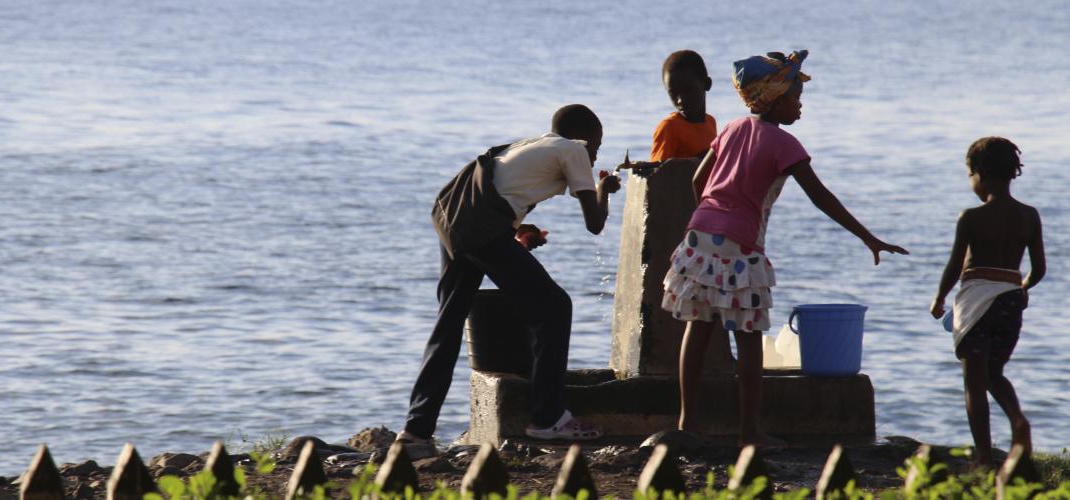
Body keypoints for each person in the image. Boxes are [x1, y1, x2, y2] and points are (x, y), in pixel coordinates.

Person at [660, 50, 907, 446]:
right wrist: (868, 237)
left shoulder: (731, 128)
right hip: (740, 246)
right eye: (796, 95)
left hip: (699, 235)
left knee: (699, 327)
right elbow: (820, 196)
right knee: (749, 335)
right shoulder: (784, 143)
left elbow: (697, 181)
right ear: (774, 98)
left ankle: (687, 424)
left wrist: (708, 219)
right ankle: (748, 431)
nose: (801, 103)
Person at [398, 104, 621, 448]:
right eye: (597, 146)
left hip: (455, 214)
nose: (594, 155)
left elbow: (503, 191)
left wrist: (516, 228)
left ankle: (415, 432)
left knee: (449, 323)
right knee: (554, 308)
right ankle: (549, 418)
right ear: (584, 137)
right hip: (481, 225)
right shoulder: (573, 148)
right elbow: (594, 224)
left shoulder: (530, 144)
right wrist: (604, 190)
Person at [930, 137, 1044, 468]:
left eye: (969, 175)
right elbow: (1038, 270)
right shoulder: (1029, 216)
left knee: (974, 383)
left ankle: (982, 455)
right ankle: (1018, 420)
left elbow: (955, 266)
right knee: (995, 372)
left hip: (977, 303)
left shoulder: (971, 217)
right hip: (1010, 301)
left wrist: (939, 298)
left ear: (979, 174)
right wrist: (1021, 286)